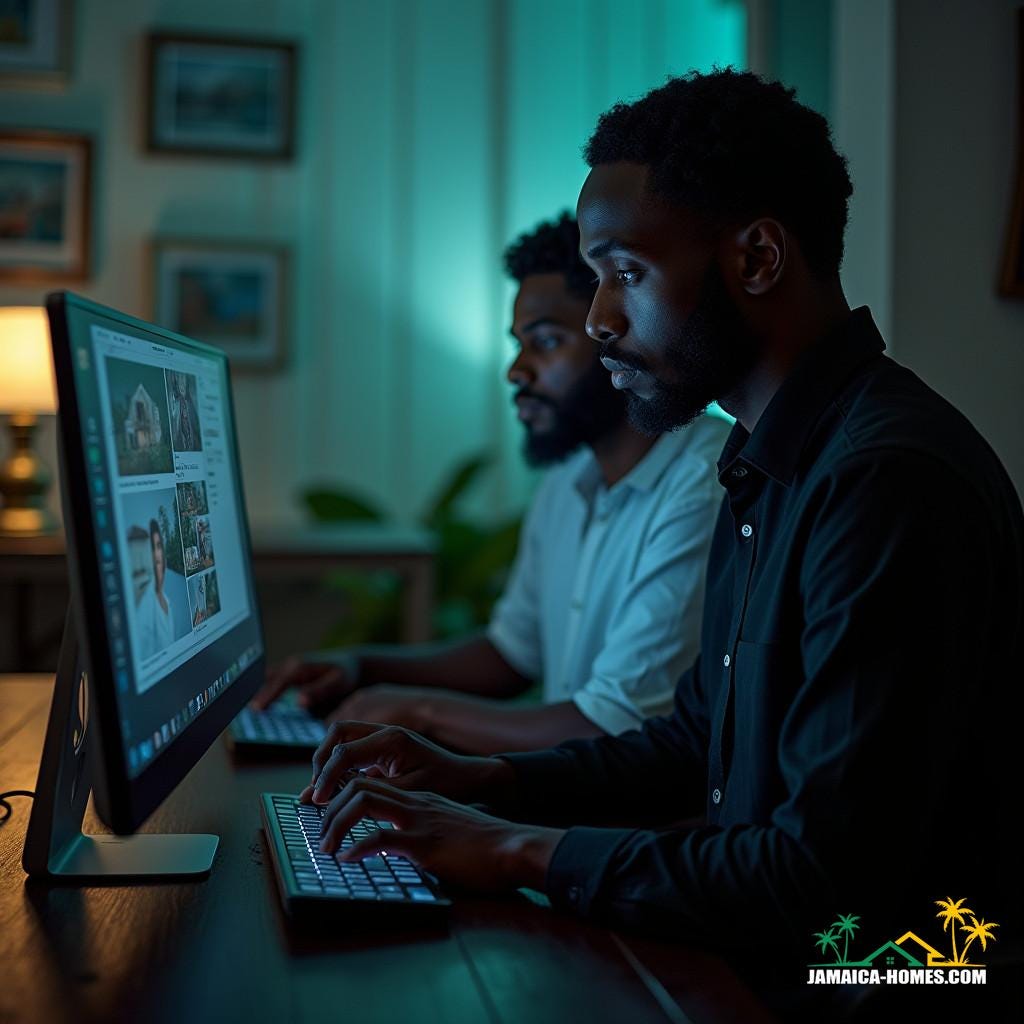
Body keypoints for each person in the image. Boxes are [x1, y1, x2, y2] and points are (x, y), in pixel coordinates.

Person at [301, 69, 1023, 988]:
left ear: (757, 258)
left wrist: (521, 852)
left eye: (625, 275)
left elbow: (824, 883)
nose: (601, 320)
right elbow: (696, 744)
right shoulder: (770, 459)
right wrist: (483, 784)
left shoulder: (886, 480)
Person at [253, 213, 730, 754]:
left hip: (648, 825)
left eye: (546, 341)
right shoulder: (570, 481)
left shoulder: (703, 483)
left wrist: (420, 714)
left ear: (616, 327)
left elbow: (611, 726)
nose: (517, 371)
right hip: (574, 805)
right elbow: (510, 654)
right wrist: (361, 668)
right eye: (519, 344)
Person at [136, 518, 176, 659]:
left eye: (159, 546)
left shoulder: (167, 601)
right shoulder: (145, 607)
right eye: (152, 548)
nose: (157, 555)